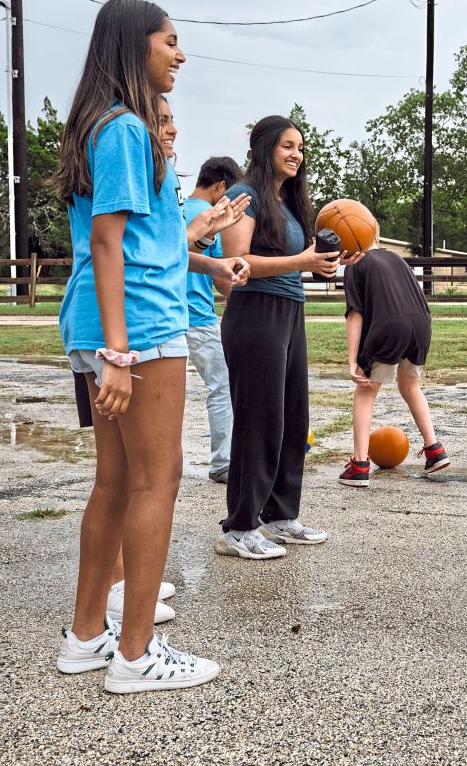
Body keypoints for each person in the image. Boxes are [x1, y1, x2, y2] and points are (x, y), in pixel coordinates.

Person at [53, 0, 247, 693]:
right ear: (137, 46)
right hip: (138, 327)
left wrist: (205, 253)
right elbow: (107, 242)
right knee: (157, 478)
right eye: (171, 41)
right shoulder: (127, 129)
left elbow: (142, 240)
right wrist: (120, 352)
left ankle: (86, 638)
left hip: (121, 323)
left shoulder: (111, 128)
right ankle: (136, 655)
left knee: (115, 480)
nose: (181, 54)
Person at [216, 116, 354, 559]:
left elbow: (295, 261)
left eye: (300, 147)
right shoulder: (245, 195)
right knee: (259, 422)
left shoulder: (288, 202)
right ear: (264, 149)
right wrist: (301, 260)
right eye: (287, 146)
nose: (296, 154)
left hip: (290, 310)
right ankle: (239, 526)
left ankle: (279, 515)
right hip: (255, 313)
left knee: (293, 419)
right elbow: (237, 262)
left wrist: (319, 265)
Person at [337, 241, 450, 488]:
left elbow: (355, 314)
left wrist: (353, 360)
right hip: (422, 324)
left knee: (366, 391)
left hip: (391, 326)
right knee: (410, 385)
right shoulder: (395, 258)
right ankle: (435, 450)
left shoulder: (355, 264)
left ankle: (358, 466)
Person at [184, 156, 245, 484]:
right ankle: (224, 461)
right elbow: (223, 281)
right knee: (221, 387)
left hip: (164, 314)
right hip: (198, 316)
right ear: (222, 187)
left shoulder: (175, 209)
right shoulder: (212, 218)